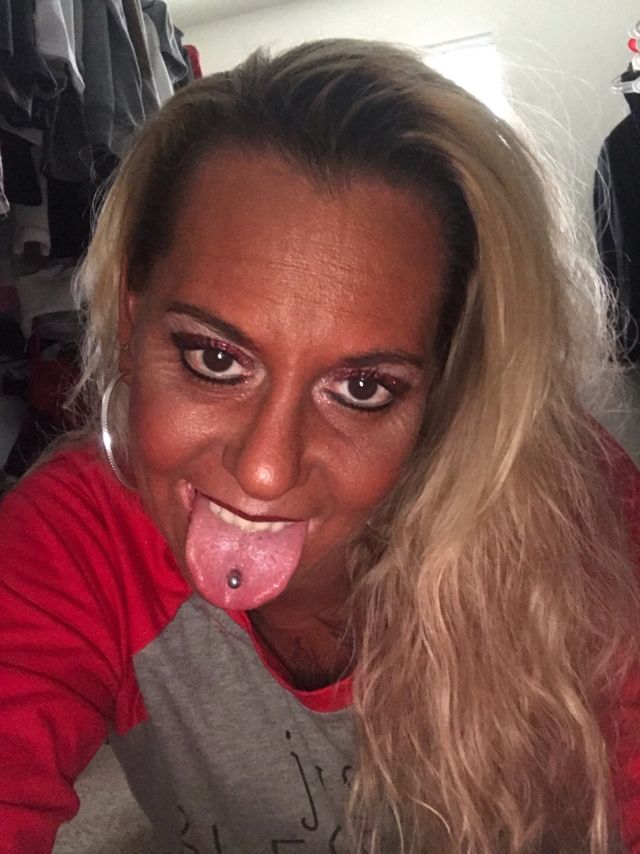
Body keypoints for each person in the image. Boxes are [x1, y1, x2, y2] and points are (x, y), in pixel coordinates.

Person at [1, 39, 640, 854]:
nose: (266, 468)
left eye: (362, 388)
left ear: (446, 382)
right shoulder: (78, 541)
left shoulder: (572, 509)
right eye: (215, 360)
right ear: (132, 319)